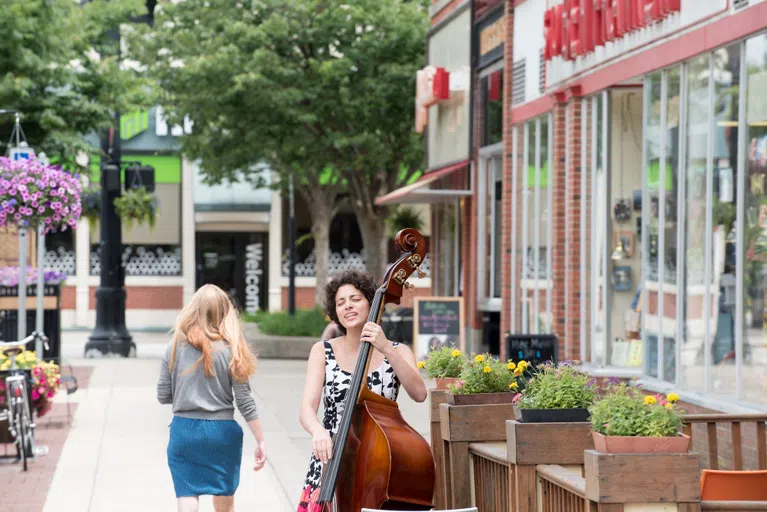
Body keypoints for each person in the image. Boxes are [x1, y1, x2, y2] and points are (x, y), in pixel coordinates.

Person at [296, 269, 428, 511]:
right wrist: (318, 431)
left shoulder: (399, 350)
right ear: (335, 312)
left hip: (379, 462)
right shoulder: (322, 351)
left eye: (355, 299)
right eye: (340, 302)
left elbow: (419, 394)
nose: (348, 306)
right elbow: (307, 408)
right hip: (331, 460)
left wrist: (387, 348)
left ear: (371, 303)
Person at [157, 284, 267, 512]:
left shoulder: (173, 347)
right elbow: (245, 400)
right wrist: (260, 440)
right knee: (224, 499)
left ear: (192, 309)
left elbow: (163, 395)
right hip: (222, 433)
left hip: (184, 431)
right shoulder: (232, 349)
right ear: (225, 312)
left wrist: (188, 391)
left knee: (187, 495)